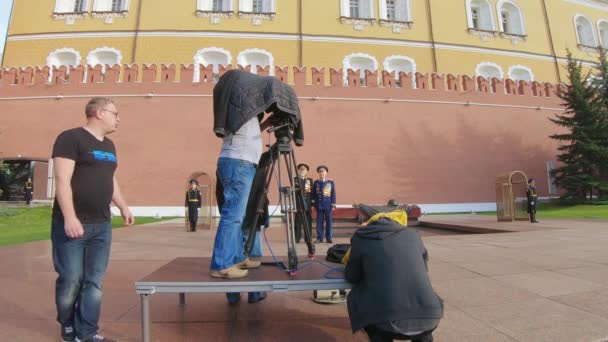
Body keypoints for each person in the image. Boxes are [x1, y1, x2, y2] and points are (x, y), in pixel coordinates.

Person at [51, 97, 134, 342]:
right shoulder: (70, 138)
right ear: (98, 113)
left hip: (101, 225)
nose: (118, 118)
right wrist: (69, 217)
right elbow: (62, 181)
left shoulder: (109, 146)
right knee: (70, 280)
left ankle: (87, 333)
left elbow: (111, 179)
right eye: (115, 113)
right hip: (73, 223)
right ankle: (67, 324)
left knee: (94, 282)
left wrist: (123, 206)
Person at [345, 214, 443, 342]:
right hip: (431, 316)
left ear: (368, 224)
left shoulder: (361, 236)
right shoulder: (413, 234)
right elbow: (424, 269)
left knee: (357, 298)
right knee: (421, 327)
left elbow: (352, 277)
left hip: (386, 322)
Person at [311, 165, 336, 243]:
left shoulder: (330, 182)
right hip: (319, 205)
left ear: (326, 173)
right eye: (320, 172)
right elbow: (313, 194)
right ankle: (319, 238)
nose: (322, 174)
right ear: (319, 173)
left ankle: (329, 237)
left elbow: (333, 194)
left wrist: (333, 205)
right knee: (319, 222)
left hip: (328, 205)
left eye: (323, 172)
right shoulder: (316, 182)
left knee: (329, 222)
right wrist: (313, 204)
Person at [294, 163, 313, 243]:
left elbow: (312, 193)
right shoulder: (295, 179)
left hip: (307, 204)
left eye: (304, 170)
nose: (302, 171)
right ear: (299, 171)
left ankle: (308, 238)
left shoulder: (310, 180)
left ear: (306, 171)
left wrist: (312, 204)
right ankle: (297, 238)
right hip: (298, 203)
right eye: (301, 169)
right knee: (297, 222)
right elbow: (294, 192)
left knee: (308, 222)